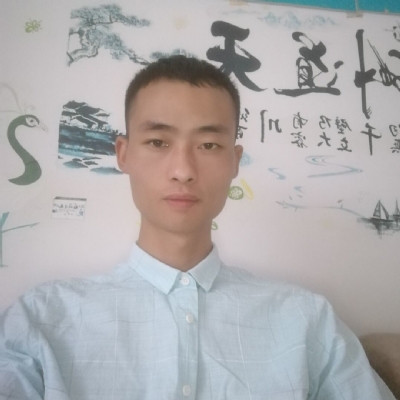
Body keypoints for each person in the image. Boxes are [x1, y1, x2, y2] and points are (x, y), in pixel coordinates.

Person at [0, 56, 395, 400]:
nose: (183, 171)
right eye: (158, 142)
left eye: (208, 145)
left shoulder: (307, 320)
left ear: (235, 161)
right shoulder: (42, 320)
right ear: (123, 154)